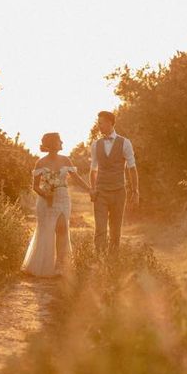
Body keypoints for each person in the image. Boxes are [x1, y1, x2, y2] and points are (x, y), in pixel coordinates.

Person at [21, 132, 92, 277]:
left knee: (62, 229)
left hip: (63, 199)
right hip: (46, 200)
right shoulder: (40, 162)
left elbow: (77, 179)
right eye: (60, 141)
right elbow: (35, 186)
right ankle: (42, 266)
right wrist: (45, 194)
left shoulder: (66, 160)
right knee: (46, 231)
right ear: (53, 143)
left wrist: (90, 190)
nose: (62, 143)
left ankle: (60, 266)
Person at [89, 111, 139, 257]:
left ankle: (113, 262)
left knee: (116, 230)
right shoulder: (95, 145)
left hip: (119, 192)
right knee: (100, 229)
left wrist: (135, 191)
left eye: (101, 123)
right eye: (98, 123)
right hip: (101, 192)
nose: (99, 126)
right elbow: (93, 170)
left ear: (110, 122)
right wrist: (92, 189)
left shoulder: (125, 143)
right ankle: (99, 262)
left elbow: (132, 168)